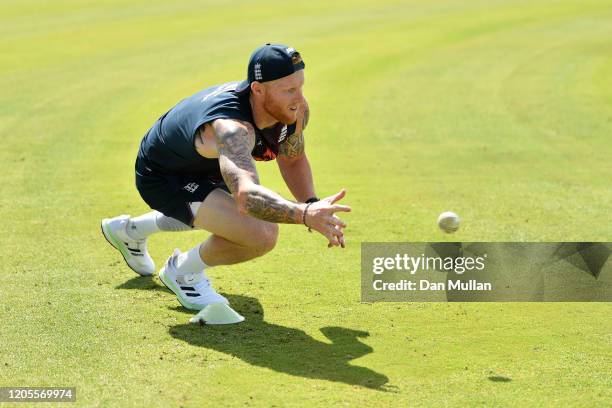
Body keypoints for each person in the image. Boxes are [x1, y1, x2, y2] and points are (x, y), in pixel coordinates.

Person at [101, 43, 351, 311]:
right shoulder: (233, 130)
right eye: (289, 90)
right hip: (162, 173)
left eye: (300, 86)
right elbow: (247, 197)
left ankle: (129, 231)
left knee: (220, 213)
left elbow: (293, 158)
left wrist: (312, 203)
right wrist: (303, 214)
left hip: (203, 164)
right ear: (258, 89)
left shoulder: (293, 111)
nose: (299, 99)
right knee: (262, 233)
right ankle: (183, 272)